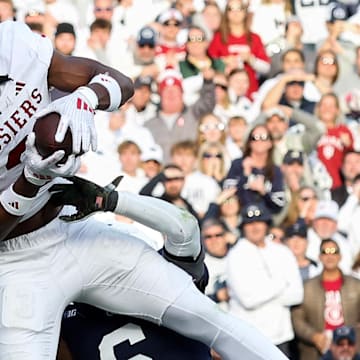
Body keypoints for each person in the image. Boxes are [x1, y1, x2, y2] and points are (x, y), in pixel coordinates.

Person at [0, 20, 287, 360]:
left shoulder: (12, 44)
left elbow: (119, 81)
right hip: (16, 262)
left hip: (71, 227)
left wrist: (85, 98)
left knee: (208, 317)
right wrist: (29, 181)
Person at [226, 203, 304, 357]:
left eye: (259, 222)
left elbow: (297, 294)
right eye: (250, 223)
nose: (255, 227)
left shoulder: (282, 252)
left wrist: (262, 290)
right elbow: (248, 300)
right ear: (243, 227)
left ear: (267, 224)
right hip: (249, 339)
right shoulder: (236, 255)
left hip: (281, 337)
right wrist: (281, 283)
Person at [291, 239, 360, 360]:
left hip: (350, 348)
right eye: (325, 252)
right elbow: (297, 319)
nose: (329, 256)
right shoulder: (307, 287)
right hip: (317, 349)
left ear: (340, 256)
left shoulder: (356, 285)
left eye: (333, 251)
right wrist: (313, 336)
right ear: (319, 257)